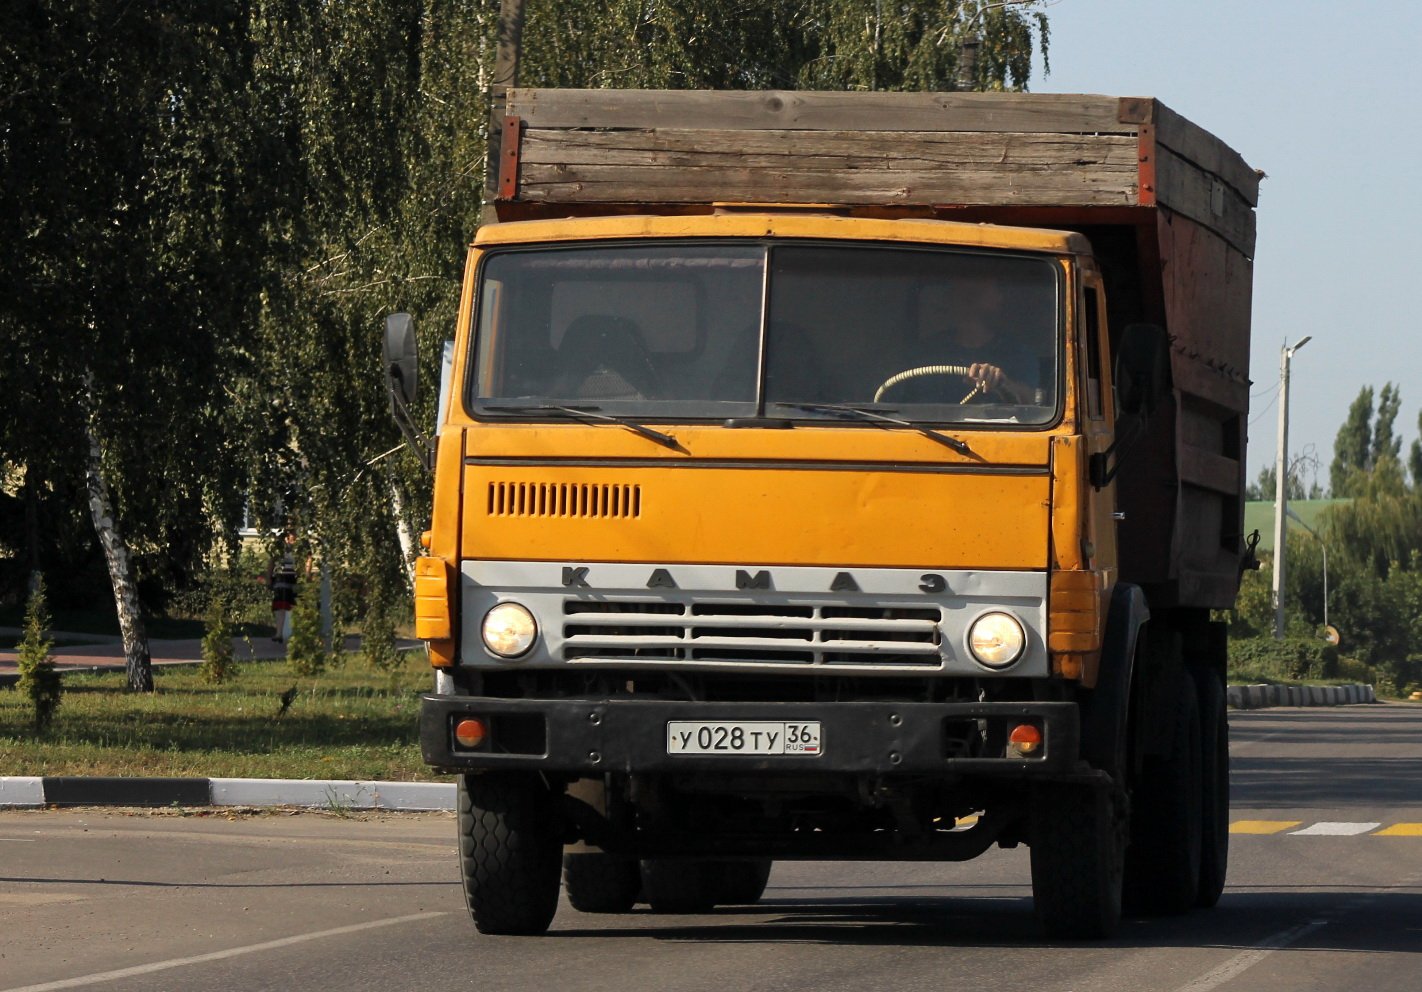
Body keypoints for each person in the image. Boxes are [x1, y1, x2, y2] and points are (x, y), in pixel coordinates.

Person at [269, 551, 297, 643]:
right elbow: (271, 561)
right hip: (280, 577)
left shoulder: (300, 546)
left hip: (293, 577)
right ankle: (279, 633)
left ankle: (293, 632)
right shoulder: (278, 547)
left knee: (293, 606)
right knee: (280, 607)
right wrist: (269, 577)